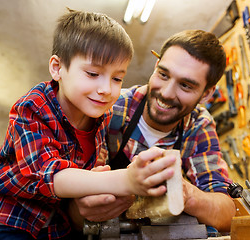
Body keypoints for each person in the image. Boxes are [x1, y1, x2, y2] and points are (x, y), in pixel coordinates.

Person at [0, 9, 179, 240]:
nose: (106, 89)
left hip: (55, 222)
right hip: (11, 216)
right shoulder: (33, 107)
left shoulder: (103, 116)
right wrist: (125, 180)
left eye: (117, 78)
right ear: (57, 68)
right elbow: (51, 176)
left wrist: (99, 179)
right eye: (93, 73)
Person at [71, 30, 236, 233]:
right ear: (156, 66)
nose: (166, 93)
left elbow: (228, 213)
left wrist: (186, 193)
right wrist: (86, 205)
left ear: (207, 94)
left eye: (185, 85)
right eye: (163, 75)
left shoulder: (198, 125)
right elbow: (71, 208)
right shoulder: (110, 108)